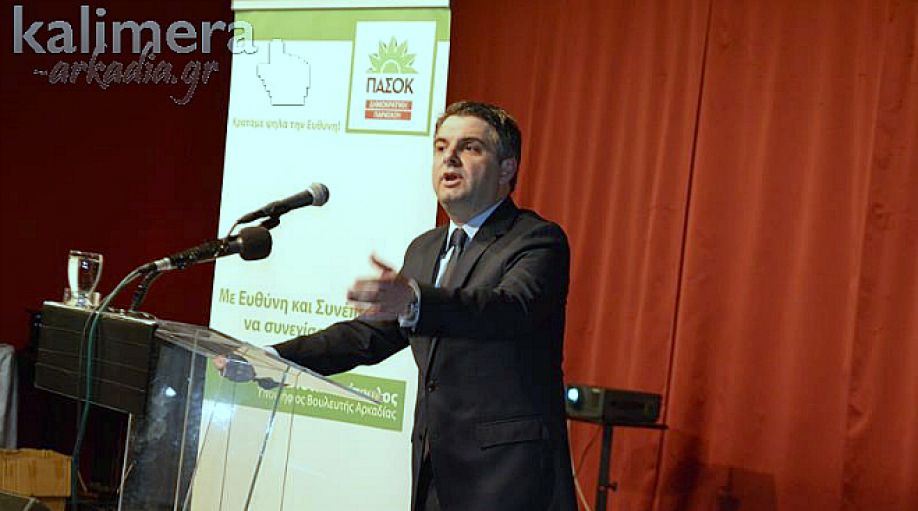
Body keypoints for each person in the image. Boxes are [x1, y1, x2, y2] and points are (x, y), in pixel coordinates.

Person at [272, 101, 577, 511]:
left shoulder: (536, 240)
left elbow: (507, 309)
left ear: (507, 168)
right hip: (436, 473)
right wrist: (275, 358)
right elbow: (370, 335)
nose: (449, 158)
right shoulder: (425, 248)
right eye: (441, 147)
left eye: (469, 147)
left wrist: (417, 300)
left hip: (509, 478)